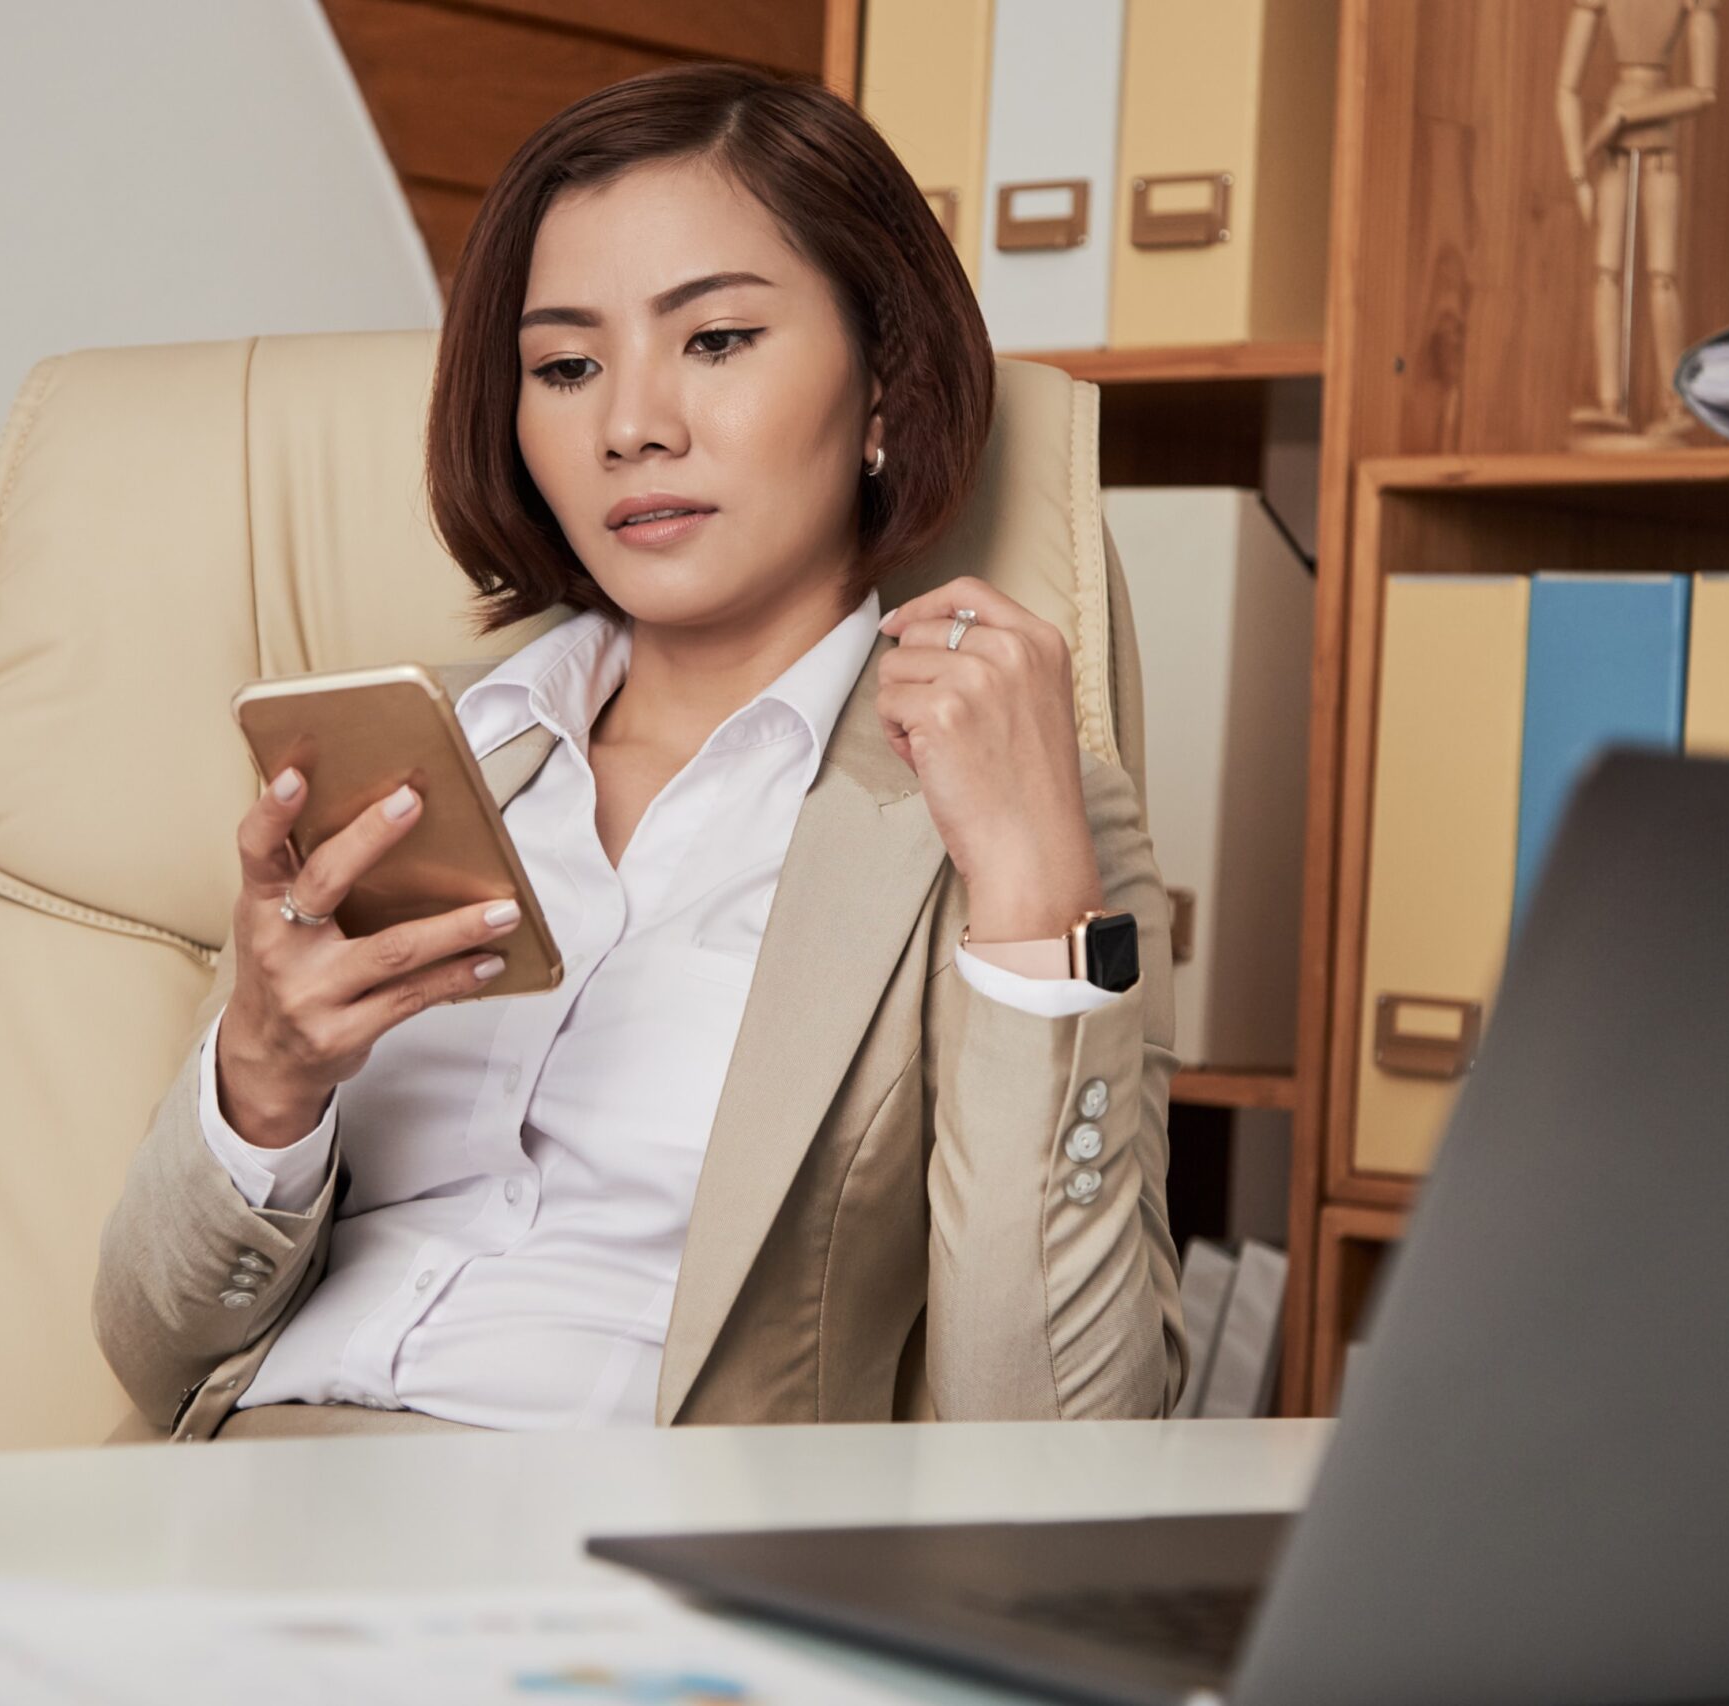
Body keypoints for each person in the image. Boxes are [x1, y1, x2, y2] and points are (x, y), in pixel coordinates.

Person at [94, 63, 1183, 1443]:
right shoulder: (425, 754)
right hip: (215, 1512)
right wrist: (263, 1074)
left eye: (716, 339)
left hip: (597, 1573)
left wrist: (1032, 900)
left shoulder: (1001, 810)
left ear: (885, 390)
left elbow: (1064, 1446)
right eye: (565, 365)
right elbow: (151, 1351)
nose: (631, 425)